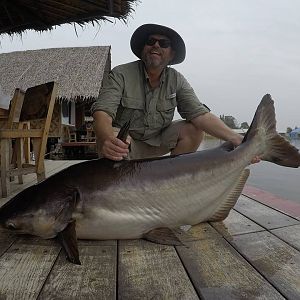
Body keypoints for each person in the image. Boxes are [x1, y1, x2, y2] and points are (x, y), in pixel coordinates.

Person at [91, 24, 247, 161]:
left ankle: (170, 175)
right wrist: (108, 139)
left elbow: (200, 115)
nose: (156, 46)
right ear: (143, 48)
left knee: (193, 129)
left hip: (159, 141)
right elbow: (102, 113)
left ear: (171, 54)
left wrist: (236, 138)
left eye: (164, 43)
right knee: (113, 137)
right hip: (126, 145)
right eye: (150, 41)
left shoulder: (177, 79)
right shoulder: (121, 74)